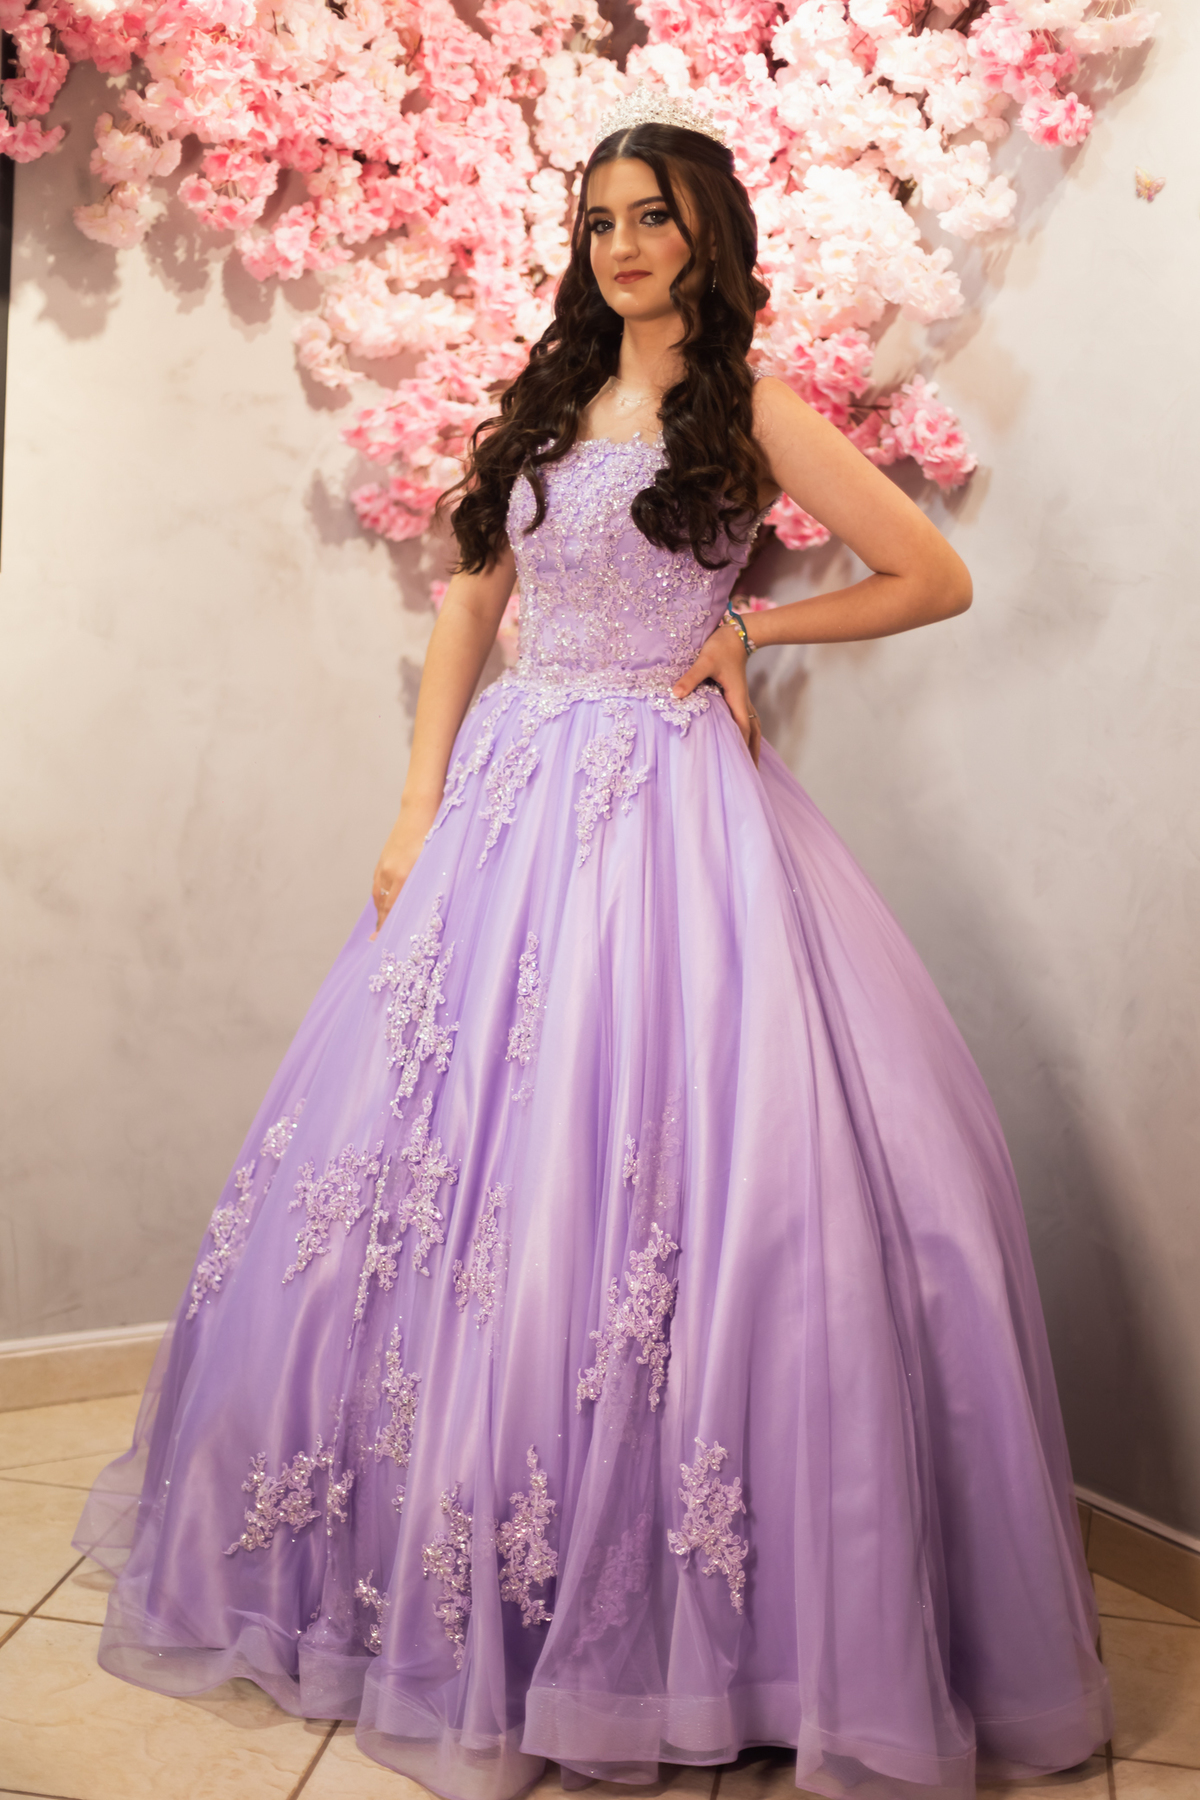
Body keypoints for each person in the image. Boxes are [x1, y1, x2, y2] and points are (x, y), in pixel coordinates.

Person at [76, 88, 1111, 1800]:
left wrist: (752, 631)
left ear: (709, 236)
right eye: (600, 221)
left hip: (668, 810)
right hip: (504, 805)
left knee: (657, 1165)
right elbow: (469, 607)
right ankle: (433, 1571)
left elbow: (932, 575)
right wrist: (415, 808)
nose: (621, 246)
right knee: (447, 1165)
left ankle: (687, 1633)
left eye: (650, 218)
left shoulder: (753, 409)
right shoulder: (549, 398)